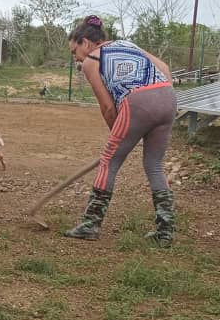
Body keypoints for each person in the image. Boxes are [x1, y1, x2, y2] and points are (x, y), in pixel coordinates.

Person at [65, 15, 177, 246]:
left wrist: (119, 137)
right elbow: (164, 68)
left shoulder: (92, 60)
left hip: (136, 102)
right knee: (154, 165)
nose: (75, 57)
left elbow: (107, 107)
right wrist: (157, 93)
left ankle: (90, 225)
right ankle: (165, 232)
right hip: (168, 98)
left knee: (109, 161)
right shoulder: (127, 44)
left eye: (74, 51)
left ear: (85, 43)